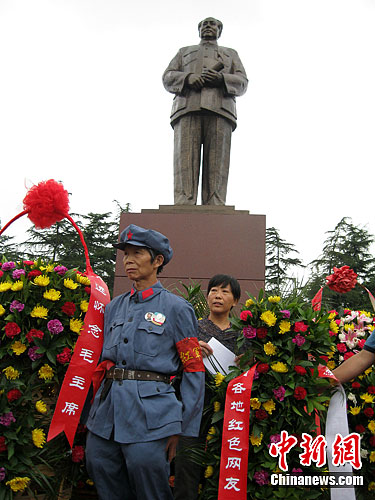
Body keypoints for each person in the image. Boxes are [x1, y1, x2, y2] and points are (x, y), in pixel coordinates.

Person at [85, 224, 205, 500]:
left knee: (147, 473)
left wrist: (182, 428)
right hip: (108, 412)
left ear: (158, 261)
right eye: (126, 253)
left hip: (153, 414)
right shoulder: (114, 306)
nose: (128, 259)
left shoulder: (177, 308)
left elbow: (193, 369)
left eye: (137, 253)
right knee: (98, 463)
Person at [163, 17, 248, 206]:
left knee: (218, 162)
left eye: (213, 24)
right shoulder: (184, 52)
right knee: (184, 161)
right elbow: (167, 76)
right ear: (199, 29)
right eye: (204, 24)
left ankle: (215, 203)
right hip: (187, 107)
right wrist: (188, 77)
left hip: (220, 109)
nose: (208, 26)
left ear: (220, 30)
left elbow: (242, 82)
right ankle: (184, 202)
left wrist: (221, 79)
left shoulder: (230, 54)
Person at [173, 274, 242, 500]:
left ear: (235, 301)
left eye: (225, 292)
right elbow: (172, 364)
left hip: (229, 410)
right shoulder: (192, 329)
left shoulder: (243, 336)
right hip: (193, 406)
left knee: (224, 465)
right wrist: (190, 352)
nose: (218, 296)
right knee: (187, 463)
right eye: (213, 290)